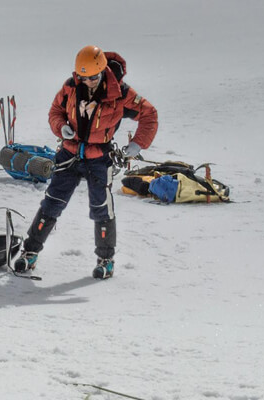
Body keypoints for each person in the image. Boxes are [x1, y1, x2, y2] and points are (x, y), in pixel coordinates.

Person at [16, 45, 158, 279]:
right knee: (52, 203)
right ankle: (29, 253)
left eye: (92, 77)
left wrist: (138, 144)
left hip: (99, 159)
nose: (88, 82)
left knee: (101, 208)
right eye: (83, 77)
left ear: (102, 71)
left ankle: (106, 259)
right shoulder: (71, 87)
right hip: (69, 155)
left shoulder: (120, 93)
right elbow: (55, 111)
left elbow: (149, 114)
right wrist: (60, 127)